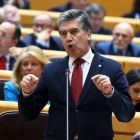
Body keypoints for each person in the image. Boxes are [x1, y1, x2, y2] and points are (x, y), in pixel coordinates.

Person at [18, 9, 135, 140]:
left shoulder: (112, 68)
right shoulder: (50, 70)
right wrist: (27, 93)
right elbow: (28, 116)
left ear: (88, 34)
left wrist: (110, 93)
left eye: (74, 32)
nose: (68, 38)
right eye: (63, 33)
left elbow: (127, 115)